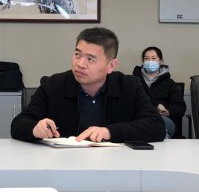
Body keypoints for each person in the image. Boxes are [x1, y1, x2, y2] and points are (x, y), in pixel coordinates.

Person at [10, 27, 166, 143]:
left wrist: (109, 132)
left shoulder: (129, 86)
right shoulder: (52, 85)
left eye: (90, 59)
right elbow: (18, 124)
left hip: (115, 164)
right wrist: (35, 129)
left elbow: (156, 126)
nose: (80, 63)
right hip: (63, 164)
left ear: (111, 65)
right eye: (77, 54)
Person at [132, 46, 186, 138]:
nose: (150, 61)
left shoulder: (169, 83)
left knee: (159, 128)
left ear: (160, 61)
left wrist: (168, 112)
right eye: (146, 58)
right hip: (139, 120)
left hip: (162, 120)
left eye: (153, 58)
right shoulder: (133, 81)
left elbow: (180, 107)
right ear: (142, 62)